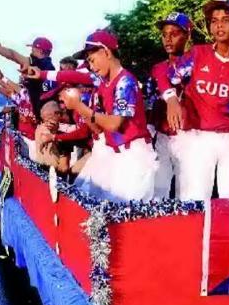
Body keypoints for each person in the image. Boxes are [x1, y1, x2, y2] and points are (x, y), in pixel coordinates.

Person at [163, 0, 229, 200]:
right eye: (214, 21)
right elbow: (166, 75)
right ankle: (193, 233)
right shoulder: (198, 54)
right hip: (199, 137)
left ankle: (225, 233)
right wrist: (171, 99)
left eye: (226, 19)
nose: (219, 25)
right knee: (195, 198)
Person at [59, 30, 157, 202]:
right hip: (113, 154)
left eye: (92, 59)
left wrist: (79, 106)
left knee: (125, 215)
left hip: (133, 156)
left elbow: (114, 124)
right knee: (92, 202)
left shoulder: (125, 81)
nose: (91, 65)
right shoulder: (104, 84)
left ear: (106, 52)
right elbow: (98, 128)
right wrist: (79, 108)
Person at [149, 12, 192, 199]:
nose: (168, 38)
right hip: (163, 136)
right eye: (164, 34)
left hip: (188, 136)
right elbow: (152, 103)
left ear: (187, 35)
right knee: (159, 188)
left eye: (174, 33)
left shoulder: (197, 63)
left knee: (187, 190)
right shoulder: (158, 68)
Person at [0, 28, 55, 118]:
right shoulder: (50, 68)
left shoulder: (37, 63)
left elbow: (12, 55)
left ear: (40, 51)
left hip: (42, 117)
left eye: (33, 49)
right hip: (45, 112)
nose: (31, 52)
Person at [35, 101, 71, 173]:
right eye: (45, 120)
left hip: (43, 172)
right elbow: (64, 167)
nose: (48, 123)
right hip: (53, 174)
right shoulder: (60, 135)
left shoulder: (39, 129)